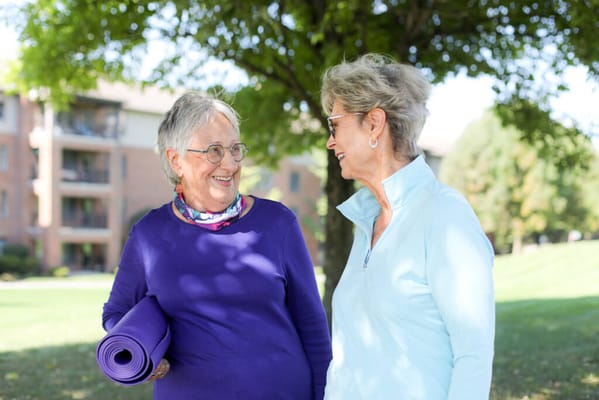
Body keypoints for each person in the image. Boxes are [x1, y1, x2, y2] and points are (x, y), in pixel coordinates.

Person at [102, 91, 332, 399]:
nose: (229, 163)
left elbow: (314, 331)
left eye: (235, 149)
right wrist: (141, 344)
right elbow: (117, 310)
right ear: (176, 159)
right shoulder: (149, 235)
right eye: (213, 151)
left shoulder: (278, 224)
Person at [320, 53, 495, 399]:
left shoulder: (444, 216)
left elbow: (473, 357)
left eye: (335, 125)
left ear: (374, 124)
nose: (330, 141)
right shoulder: (366, 223)